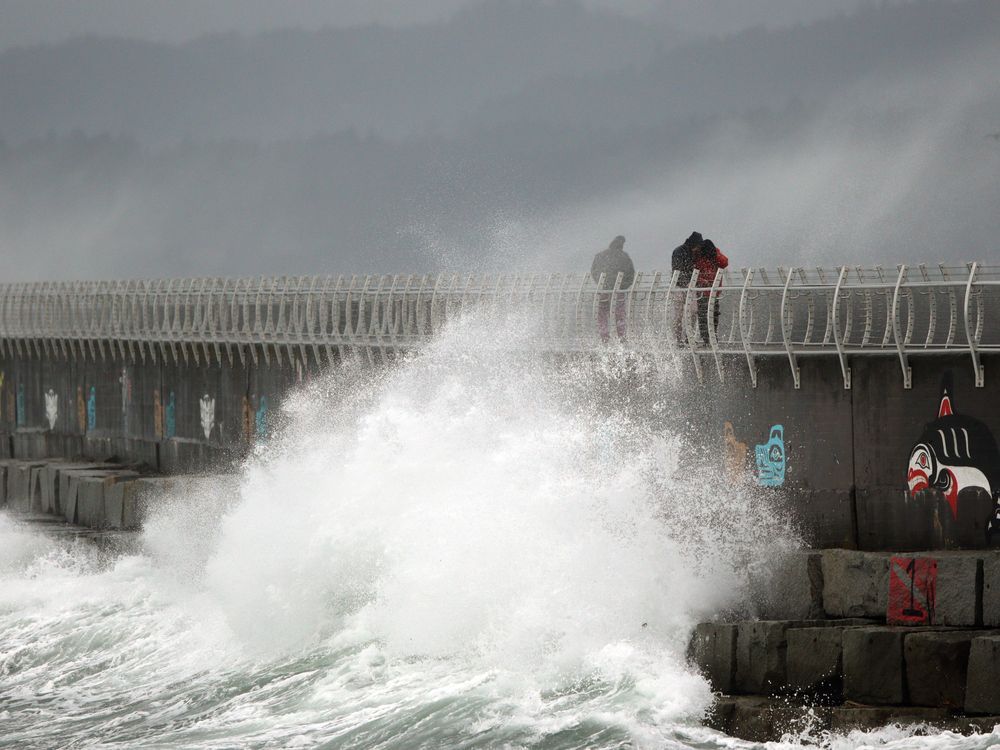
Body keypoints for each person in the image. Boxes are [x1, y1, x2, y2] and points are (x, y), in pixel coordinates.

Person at [590, 235, 634, 342]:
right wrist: (622, 286)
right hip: (618, 291)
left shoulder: (600, 255)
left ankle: (604, 336)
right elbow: (630, 274)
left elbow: (594, 271)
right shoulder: (624, 256)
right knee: (619, 314)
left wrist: (601, 284)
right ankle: (621, 337)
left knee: (602, 313)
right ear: (622, 244)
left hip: (603, 290)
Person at [693, 238, 729, 343]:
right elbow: (694, 272)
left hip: (712, 290)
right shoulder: (699, 257)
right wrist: (702, 281)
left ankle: (710, 337)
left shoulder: (711, 255)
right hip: (705, 290)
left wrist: (715, 253)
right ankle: (708, 338)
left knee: (711, 314)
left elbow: (724, 262)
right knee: (706, 314)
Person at [670, 231, 702, 340]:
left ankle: (688, 336)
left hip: (688, 285)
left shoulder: (690, 252)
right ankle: (678, 338)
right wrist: (687, 281)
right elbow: (678, 268)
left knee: (692, 311)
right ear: (694, 244)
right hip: (680, 286)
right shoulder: (680, 251)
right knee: (679, 314)